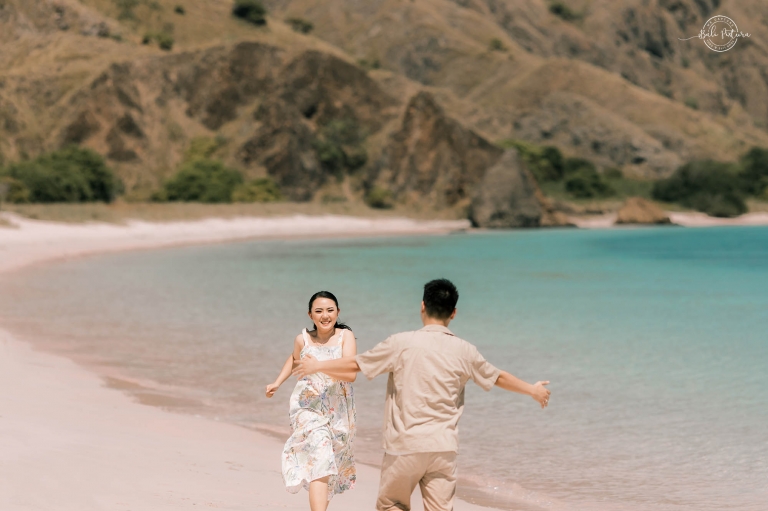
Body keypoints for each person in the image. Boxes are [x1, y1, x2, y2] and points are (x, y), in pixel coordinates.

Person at [293, 279, 550, 511]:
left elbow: (357, 364)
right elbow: (498, 377)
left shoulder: (401, 343)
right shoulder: (465, 350)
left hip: (404, 445)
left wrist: (318, 366)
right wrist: (532, 389)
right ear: (454, 313)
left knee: (392, 503)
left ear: (422, 306)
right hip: (443, 448)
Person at [265, 291, 357, 511]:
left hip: (340, 410)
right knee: (321, 456)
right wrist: (278, 382)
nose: (325, 315)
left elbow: (351, 373)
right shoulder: (303, 339)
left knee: (329, 465)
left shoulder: (345, 337)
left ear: (338, 312)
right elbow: (295, 359)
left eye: (330, 310)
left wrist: (318, 366)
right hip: (307, 407)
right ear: (310, 315)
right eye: (318, 311)